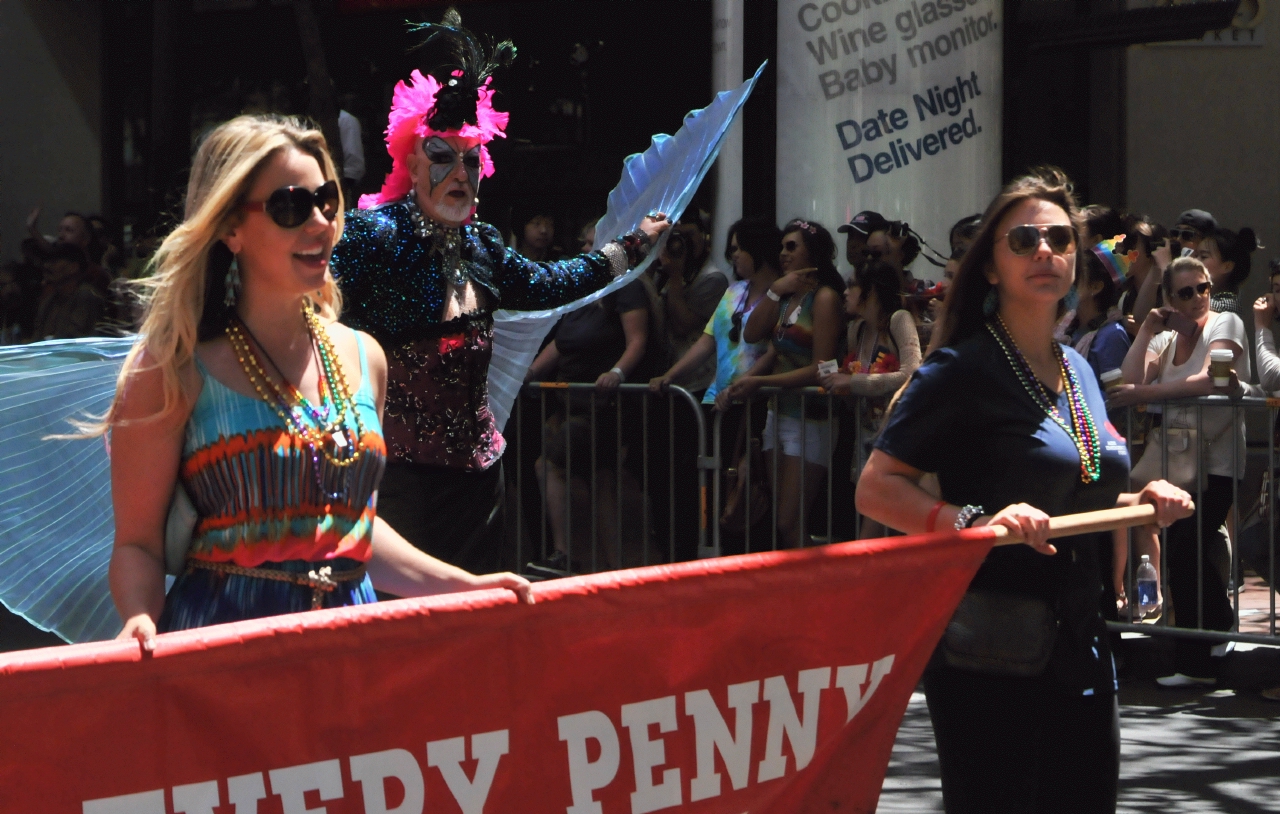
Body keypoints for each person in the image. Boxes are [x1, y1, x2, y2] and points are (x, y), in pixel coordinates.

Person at [95, 115, 534, 650]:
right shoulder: (170, 370)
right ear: (231, 227)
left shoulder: (364, 355)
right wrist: (139, 619)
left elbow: (354, 528)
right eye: (289, 206)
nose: (321, 223)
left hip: (348, 655)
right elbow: (136, 545)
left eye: (326, 201)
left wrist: (462, 586)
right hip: (224, 658)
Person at [856, 168, 1192, 813]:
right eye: (1024, 240)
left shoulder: (1078, 370)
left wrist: (1143, 505)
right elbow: (877, 489)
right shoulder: (960, 370)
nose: (1045, 251)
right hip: (991, 652)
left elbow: (1077, 500)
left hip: (1084, 648)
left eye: (1061, 240)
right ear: (990, 268)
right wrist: (972, 520)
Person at [330, 13, 669, 573]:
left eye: (470, 159)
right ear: (410, 160)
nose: (459, 172)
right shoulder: (374, 236)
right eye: (441, 156)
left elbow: (549, 284)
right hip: (397, 480)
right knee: (405, 622)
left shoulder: (483, 244)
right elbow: (311, 309)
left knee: (479, 613)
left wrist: (631, 247)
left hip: (481, 480)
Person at [1109, 256, 1248, 686]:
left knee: (1187, 545)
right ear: (1169, 299)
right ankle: (1211, 632)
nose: (1197, 299)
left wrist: (1146, 393)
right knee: (1177, 547)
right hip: (1171, 464)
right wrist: (1149, 328)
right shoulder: (1165, 338)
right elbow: (1126, 379)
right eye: (1185, 292)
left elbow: (1214, 380)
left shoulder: (1227, 323)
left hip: (1216, 464)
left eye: (1203, 288)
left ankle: (1199, 656)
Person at [729, 219, 843, 548]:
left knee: (789, 520)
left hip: (811, 418)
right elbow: (752, 335)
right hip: (777, 414)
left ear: (814, 252)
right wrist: (777, 290)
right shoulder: (786, 296)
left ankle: (817, 594)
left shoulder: (824, 298)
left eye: (792, 246)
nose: (783, 253)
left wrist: (762, 382)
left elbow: (821, 368)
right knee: (782, 521)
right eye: (782, 247)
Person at [820, 259, 920, 538]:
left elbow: (912, 372)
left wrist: (854, 382)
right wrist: (841, 386)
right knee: (871, 517)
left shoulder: (899, 320)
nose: (845, 292)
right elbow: (853, 387)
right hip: (865, 438)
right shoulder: (857, 331)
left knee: (881, 527)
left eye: (852, 285)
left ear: (871, 291)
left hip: (896, 438)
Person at [33, 243, 104, 340]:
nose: (46, 266)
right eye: (46, 261)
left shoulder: (86, 296)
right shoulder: (48, 301)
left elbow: (73, 338)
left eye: (54, 261)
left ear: (73, 267)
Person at [1195, 225, 1259, 317]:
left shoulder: (1227, 305)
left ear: (1227, 266)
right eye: (1196, 255)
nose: (1195, 261)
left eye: (1203, 256)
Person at [838, 210, 891, 275]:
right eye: (851, 236)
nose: (852, 244)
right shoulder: (844, 281)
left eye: (861, 237)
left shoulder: (891, 282)